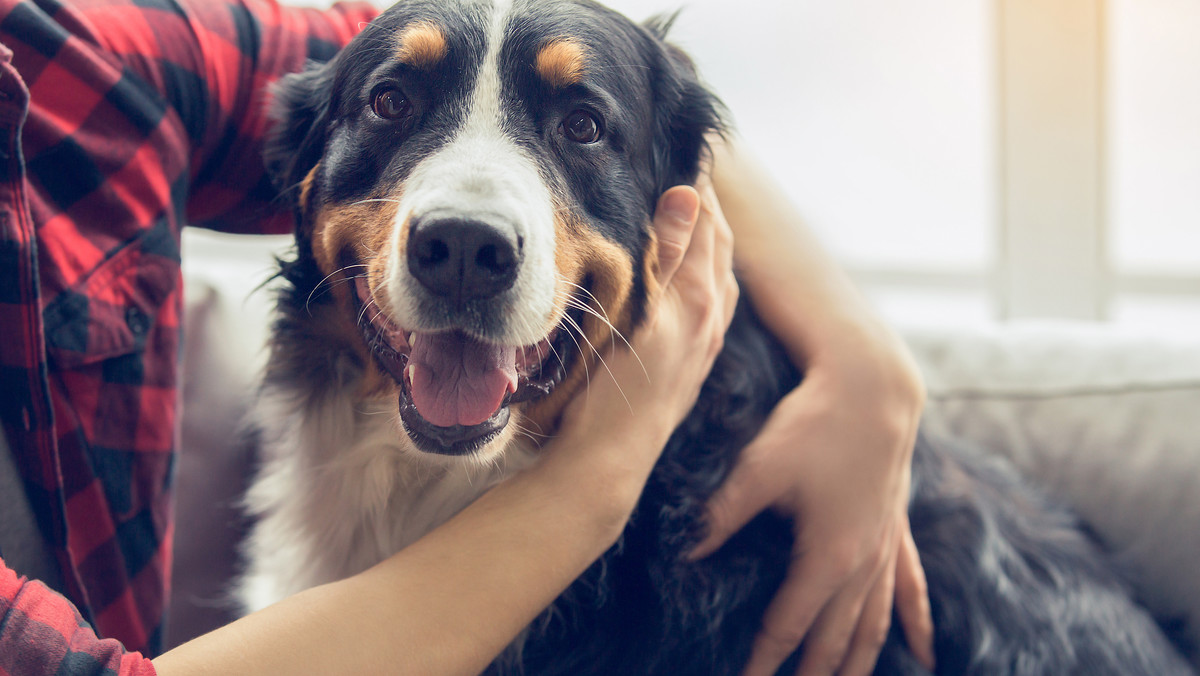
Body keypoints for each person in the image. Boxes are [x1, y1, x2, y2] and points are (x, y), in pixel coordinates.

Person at [0, 1, 932, 674]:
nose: (465, 221)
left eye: (581, 125)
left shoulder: (59, 54)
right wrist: (598, 478)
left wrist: (865, 361)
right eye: (396, 109)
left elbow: (502, 35)